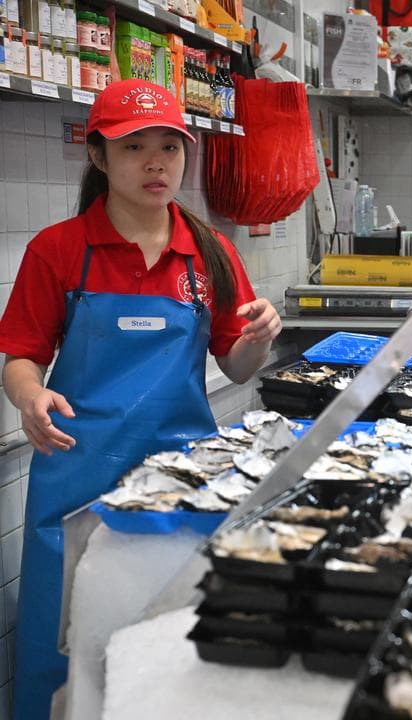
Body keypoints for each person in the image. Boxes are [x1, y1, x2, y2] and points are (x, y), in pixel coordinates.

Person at [0, 79, 281, 718]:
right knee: (62, 637)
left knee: (167, 638)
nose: (157, 164)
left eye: (170, 148)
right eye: (134, 148)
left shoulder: (210, 252)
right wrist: (30, 397)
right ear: (98, 157)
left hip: (179, 479)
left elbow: (237, 368)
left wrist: (260, 338)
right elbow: (21, 354)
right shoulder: (59, 250)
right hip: (75, 475)